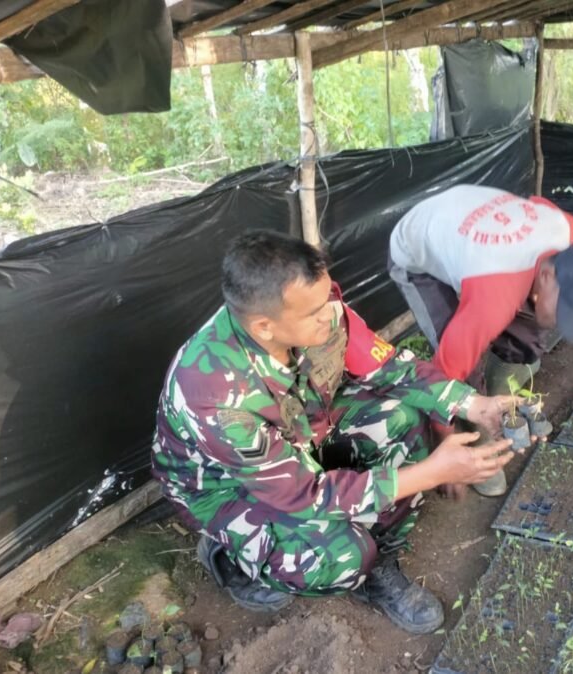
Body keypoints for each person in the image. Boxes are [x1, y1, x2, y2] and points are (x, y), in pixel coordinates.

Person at [151, 230, 519, 635]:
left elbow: (390, 367)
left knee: (406, 421)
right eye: (314, 312)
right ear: (265, 326)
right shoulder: (215, 395)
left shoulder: (320, 307)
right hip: (231, 488)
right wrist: (435, 472)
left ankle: (379, 569)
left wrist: (472, 404)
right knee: (340, 558)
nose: (331, 313)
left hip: (302, 435)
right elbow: (303, 495)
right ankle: (229, 551)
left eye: (328, 297)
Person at [388, 184, 573, 495]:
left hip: (469, 223)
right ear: (547, 276)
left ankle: (502, 386)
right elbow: (442, 379)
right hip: (417, 248)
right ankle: (476, 431)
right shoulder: (493, 294)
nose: (560, 322)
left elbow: (537, 204)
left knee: (531, 331)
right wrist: (446, 458)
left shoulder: (571, 234)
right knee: (464, 367)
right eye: (564, 310)